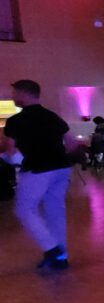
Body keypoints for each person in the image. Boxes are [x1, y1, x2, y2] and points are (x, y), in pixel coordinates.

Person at [2, 80, 73, 270]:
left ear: (24, 94)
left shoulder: (16, 121)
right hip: (61, 167)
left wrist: (9, 159)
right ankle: (61, 257)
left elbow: (10, 151)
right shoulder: (53, 116)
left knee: (24, 210)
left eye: (14, 93)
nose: (12, 96)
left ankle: (51, 249)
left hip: (37, 169)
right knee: (55, 211)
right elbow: (71, 142)